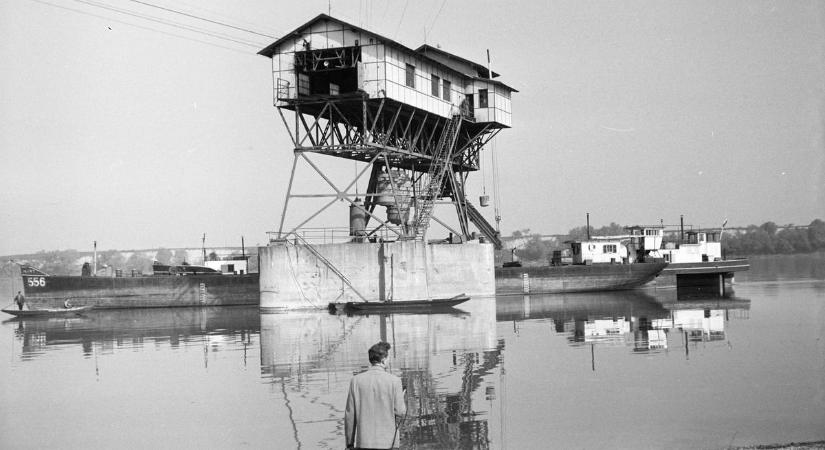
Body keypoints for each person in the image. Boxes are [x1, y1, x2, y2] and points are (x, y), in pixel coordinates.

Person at [345, 341, 406, 450]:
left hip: (364, 443)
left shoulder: (356, 381)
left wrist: (349, 444)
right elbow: (400, 412)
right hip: (389, 444)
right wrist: (401, 399)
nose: (389, 360)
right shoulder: (395, 381)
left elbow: (350, 417)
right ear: (383, 360)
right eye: (388, 357)